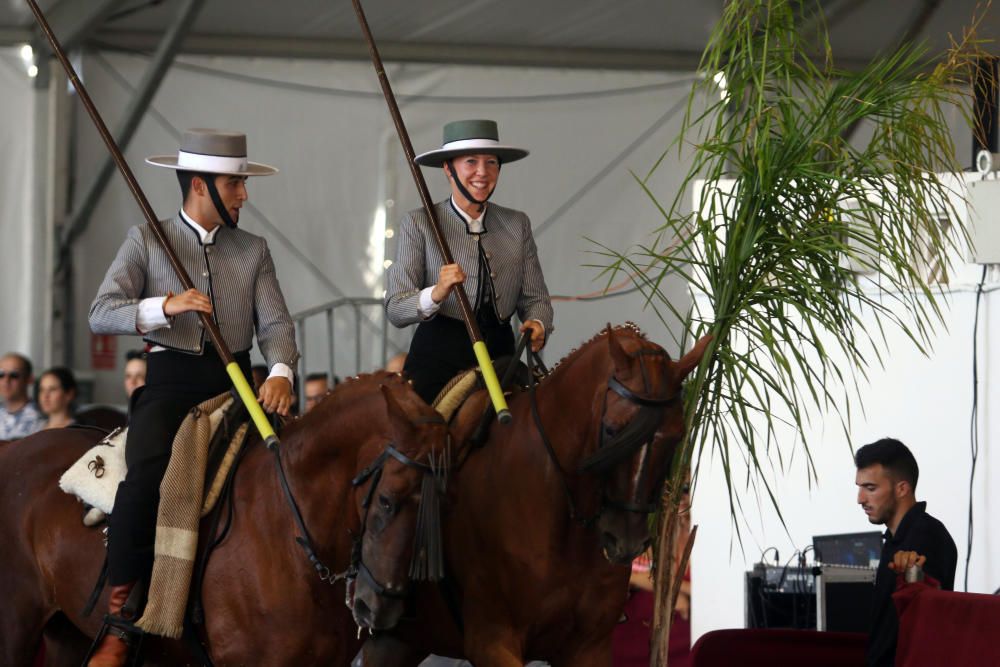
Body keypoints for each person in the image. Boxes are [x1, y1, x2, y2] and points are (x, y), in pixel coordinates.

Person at [87, 128, 298, 667]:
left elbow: (274, 321)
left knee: (284, 467)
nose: (244, 195)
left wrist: (279, 372)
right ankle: (123, 614)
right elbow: (101, 310)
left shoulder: (253, 249)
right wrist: (165, 306)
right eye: (235, 184)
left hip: (235, 384)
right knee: (147, 477)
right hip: (170, 381)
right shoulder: (147, 239)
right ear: (200, 185)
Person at [385, 119, 553, 404]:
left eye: (491, 162)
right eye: (471, 162)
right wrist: (436, 292)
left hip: (501, 357)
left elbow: (536, 298)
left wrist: (537, 322)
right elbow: (395, 309)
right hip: (438, 358)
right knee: (421, 437)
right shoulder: (420, 222)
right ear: (448, 169)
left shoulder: (517, 223)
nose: (482, 172)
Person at [855, 438, 957, 667]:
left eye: (870, 488)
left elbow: (924, 627)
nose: (860, 499)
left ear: (902, 488)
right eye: (860, 488)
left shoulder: (927, 536)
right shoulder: (895, 539)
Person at [0, 352, 44, 439]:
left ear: (29, 379)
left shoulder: (42, 417)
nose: (6, 381)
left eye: (14, 375)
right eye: (1, 374)